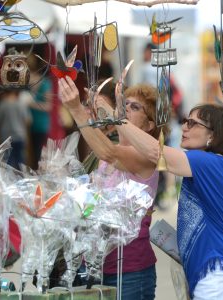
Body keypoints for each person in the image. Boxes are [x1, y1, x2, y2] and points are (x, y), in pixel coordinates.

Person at [102, 99, 223, 299]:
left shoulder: (210, 162)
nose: (184, 127)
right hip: (215, 273)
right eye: (185, 121)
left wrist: (118, 119)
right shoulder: (211, 163)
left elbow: (157, 152)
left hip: (220, 274)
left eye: (193, 123)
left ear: (213, 135)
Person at [59, 77, 167, 300]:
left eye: (135, 107)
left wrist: (76, 109)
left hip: (129, 271)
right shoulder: (108, 154)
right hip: (95, 267)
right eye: (124, 103)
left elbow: (108, 152)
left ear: (149, 125)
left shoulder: (146, 156)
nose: (126, 108)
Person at [0, 90, 31, 170]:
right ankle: (22, 180)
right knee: (20, 163)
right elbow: (28, 121)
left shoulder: (2, 104)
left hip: (6, 138)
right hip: (20, 136)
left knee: (7, 163)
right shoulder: (21, 104)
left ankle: (8, 181)